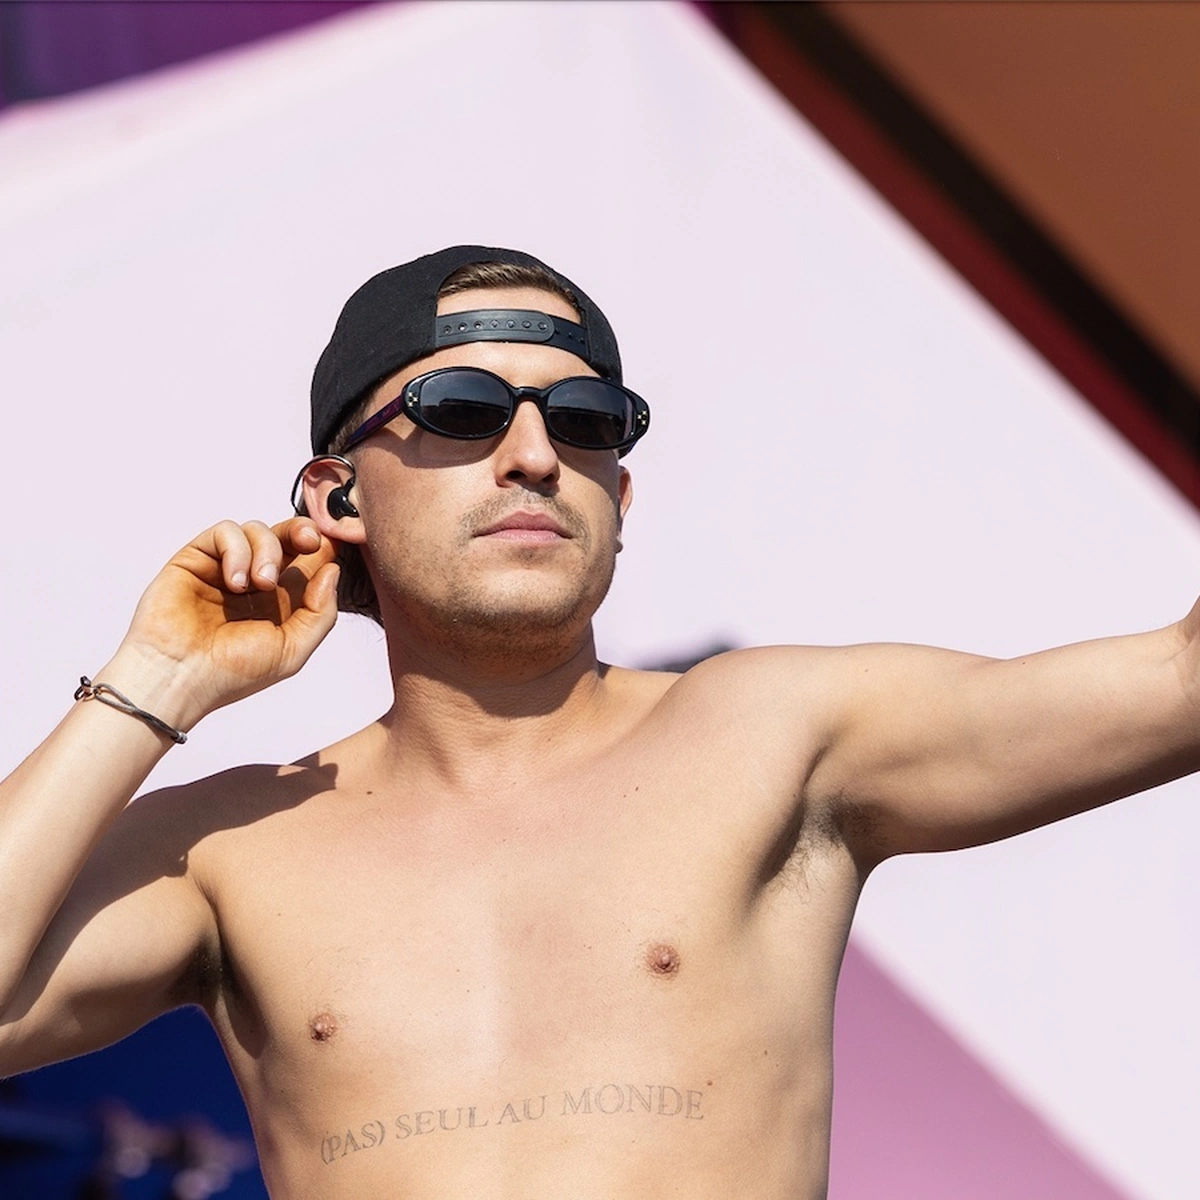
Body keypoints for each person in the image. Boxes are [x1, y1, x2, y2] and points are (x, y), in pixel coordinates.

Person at [1, 244, 1195, 1200]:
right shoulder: (229, 847)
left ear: (620, 497)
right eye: (462, 408)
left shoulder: (777, 732)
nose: (533, 457)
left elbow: (1181, 683)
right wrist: (158, 679)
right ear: (337, 493)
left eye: (585, 422)